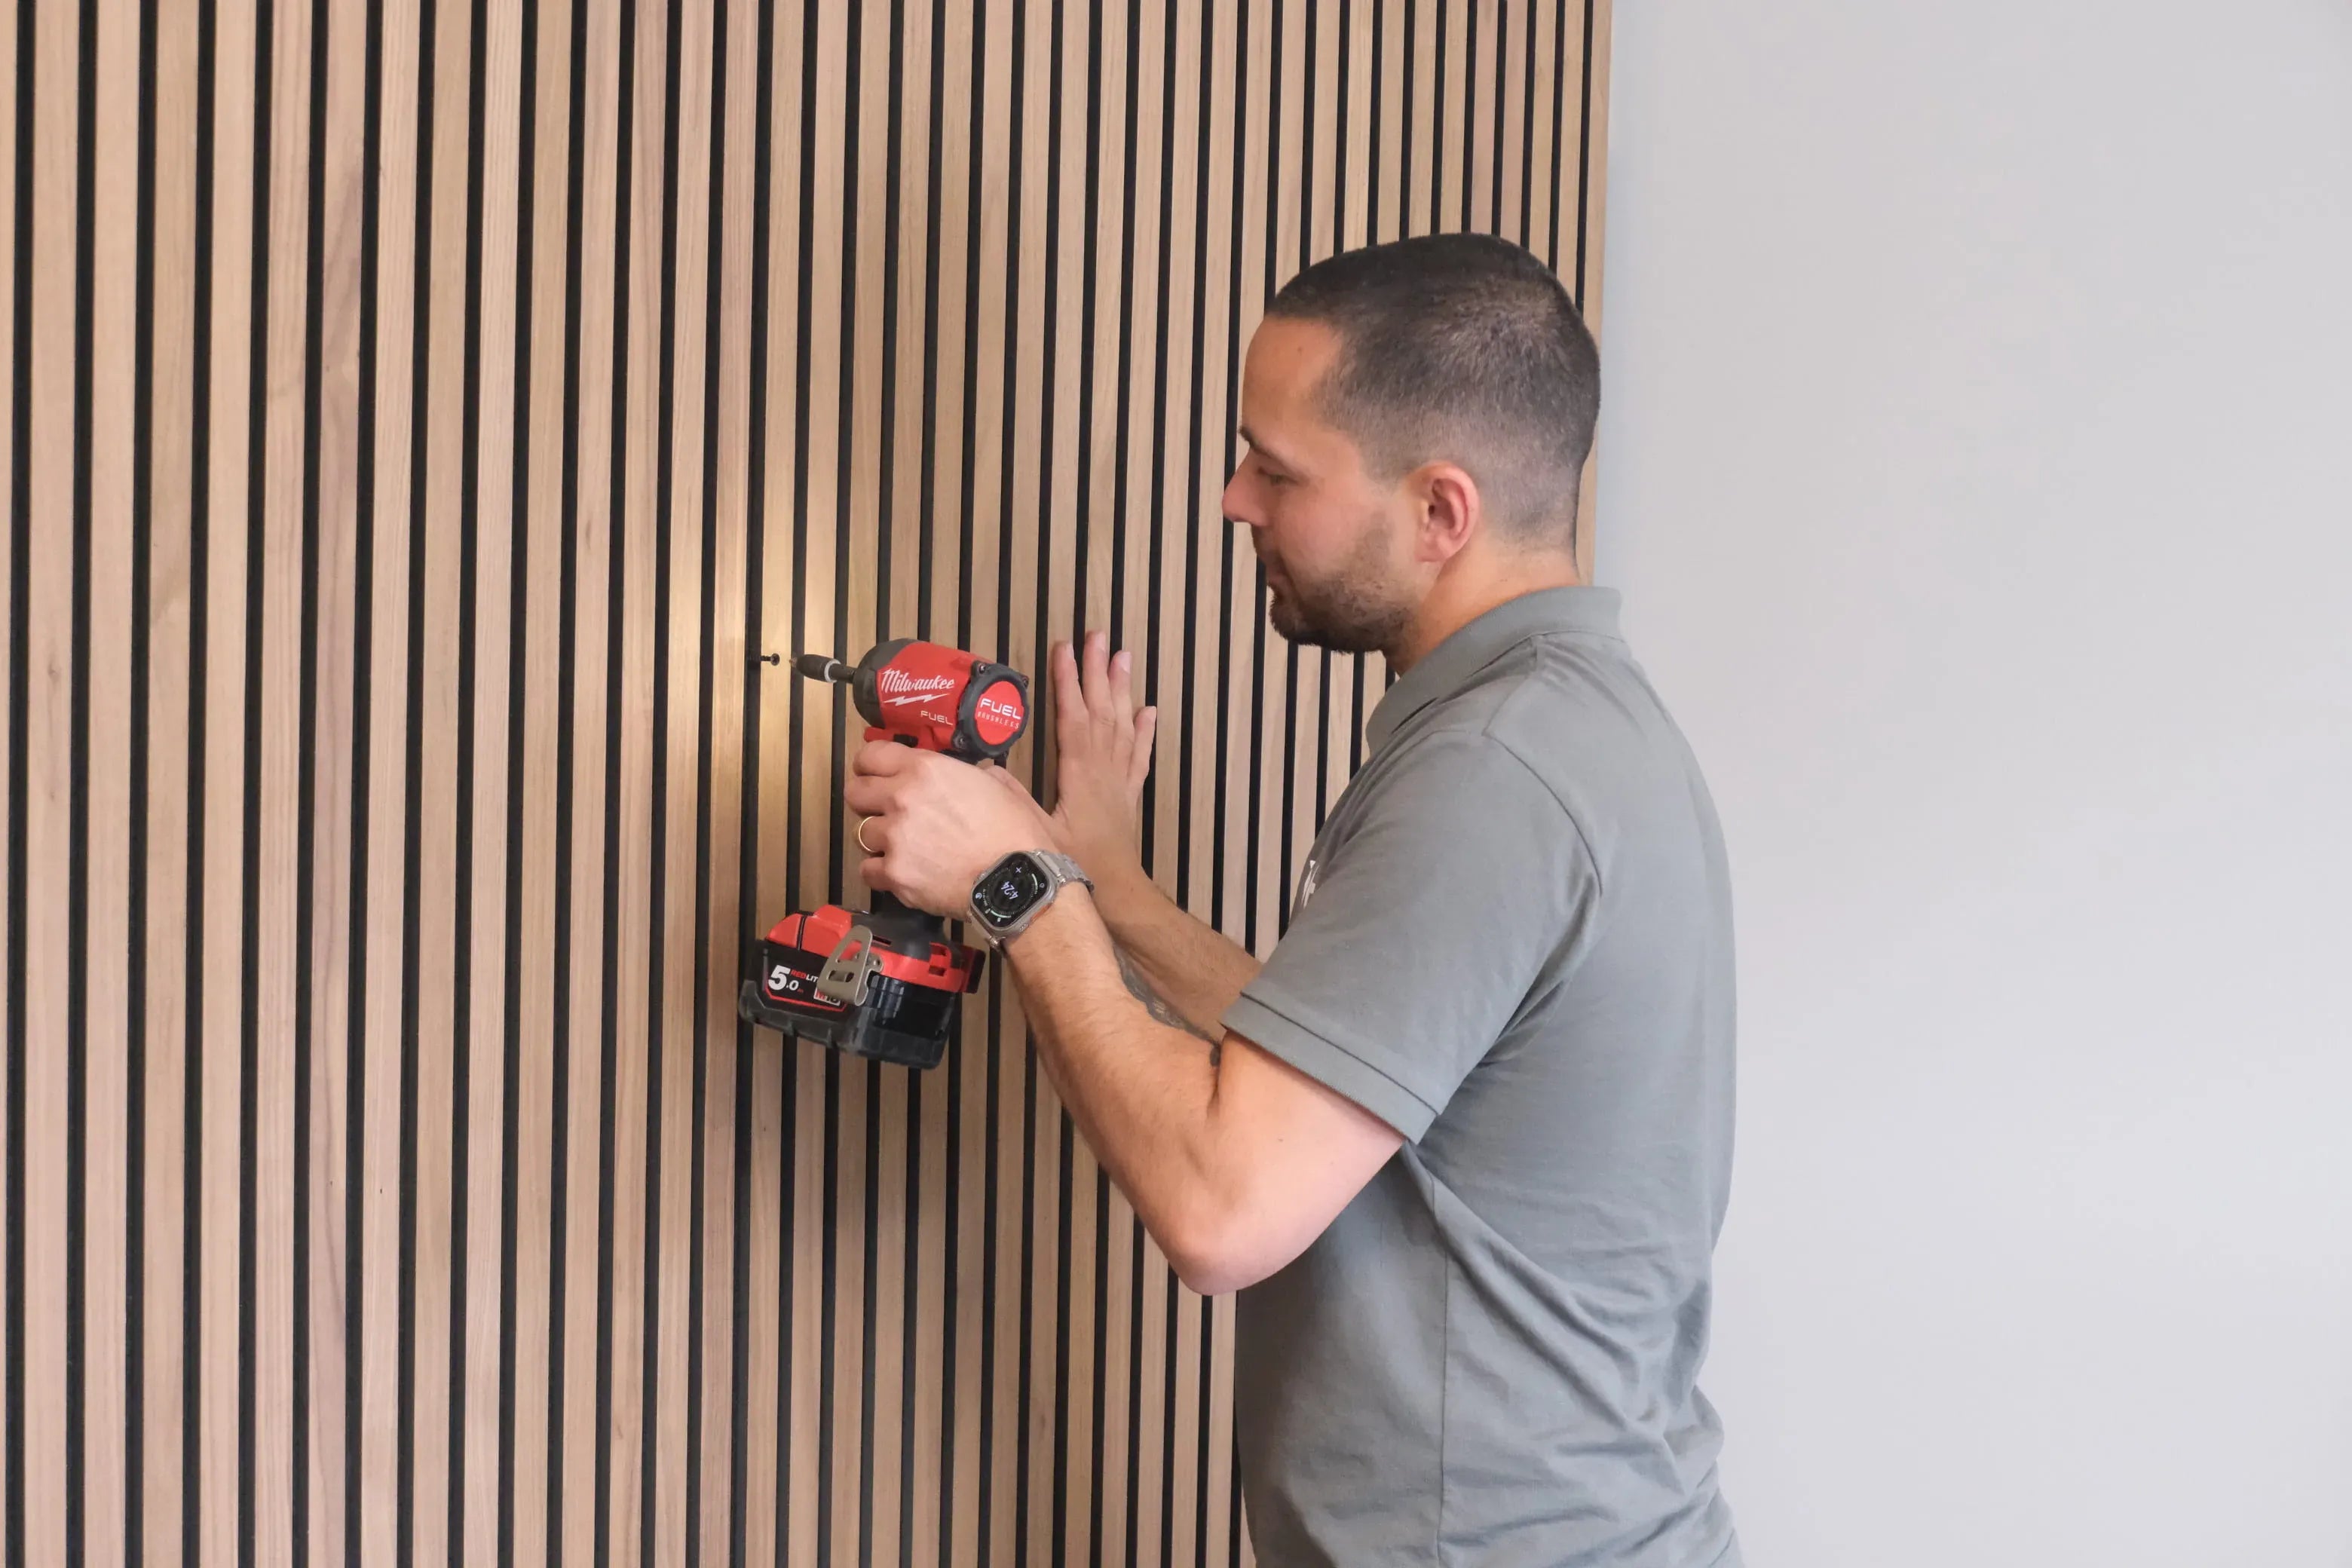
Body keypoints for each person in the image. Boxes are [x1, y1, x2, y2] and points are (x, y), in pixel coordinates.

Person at [847, 232, 1741, 1568]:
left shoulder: (1494, 776)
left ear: (1440, 512)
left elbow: (1225, 1209)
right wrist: (1115, 895)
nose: (1234, 501)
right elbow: (1362, 1067)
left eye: (1277, 470)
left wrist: (1018, 890)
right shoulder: (1573, 729)